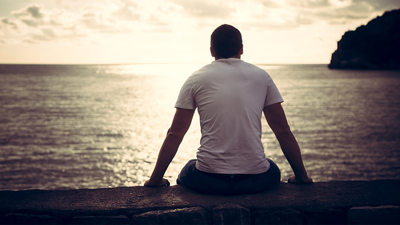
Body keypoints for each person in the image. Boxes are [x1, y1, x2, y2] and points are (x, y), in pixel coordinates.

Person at [144, 24, 312, 195]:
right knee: (272, 167)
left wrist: (155, 180)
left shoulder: (195, 78)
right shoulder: (262, 76)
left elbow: (175, 133)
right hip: (255, 181)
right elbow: (283, 131)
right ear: (241, 49)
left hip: (208, 180)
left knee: (189, 168)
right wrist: (302, 177)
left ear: (212, 51)